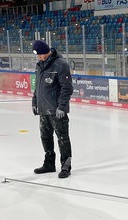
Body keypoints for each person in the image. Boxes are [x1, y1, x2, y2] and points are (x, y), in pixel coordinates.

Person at [31, 40, 74, 178]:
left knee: (62, 138)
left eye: (40, 55)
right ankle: (49, 164)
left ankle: (65, 166)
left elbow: (67, 88)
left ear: (46, 52)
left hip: (57, 111)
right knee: (45, 137)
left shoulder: (61, 64)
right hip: (43, 109)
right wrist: (34, 102)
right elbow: (37, 86)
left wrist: (62, 107)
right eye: (37, 56)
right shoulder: (40, 65)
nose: (39, 58)